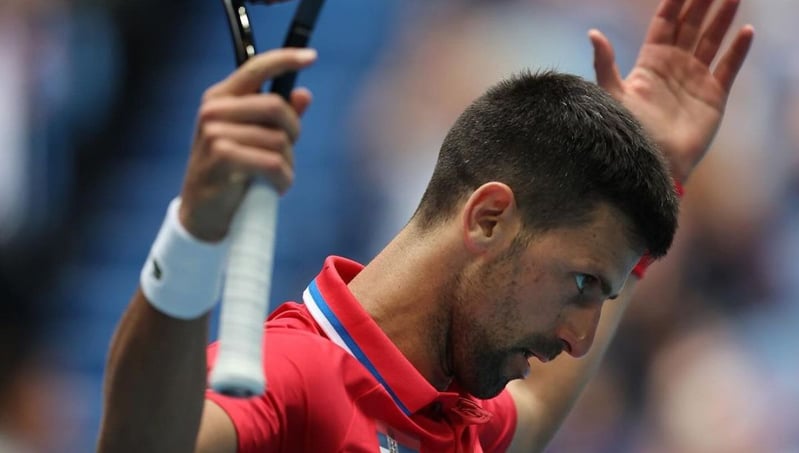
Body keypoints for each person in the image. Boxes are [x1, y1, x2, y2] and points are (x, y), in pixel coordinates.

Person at [97, 0, 754, 451]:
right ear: (489, 219)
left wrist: (656, 161)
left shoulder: (456, 416)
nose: (581, 340)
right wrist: (195, 230)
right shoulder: (293, 375)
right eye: (582, 283)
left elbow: (532, 413)